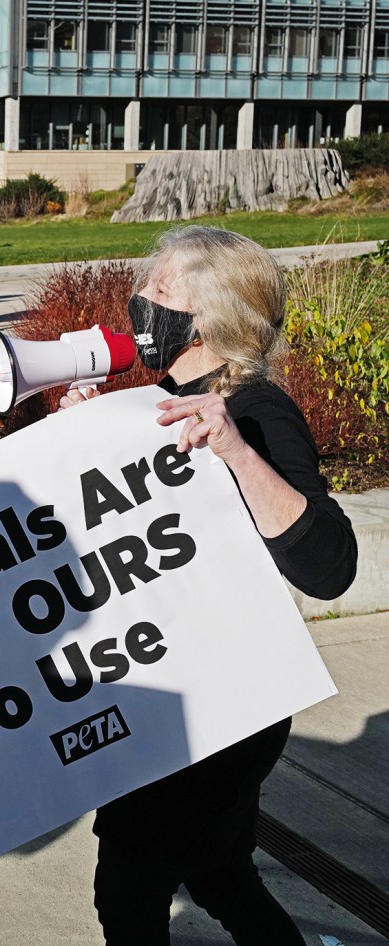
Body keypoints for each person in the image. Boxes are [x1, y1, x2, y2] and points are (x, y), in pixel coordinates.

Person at [57, 226, 357, 946]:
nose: (141, 303)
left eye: (162, 291)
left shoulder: (254, 409)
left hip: (221, 714)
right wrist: (80, 441)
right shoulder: (166, 398)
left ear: (214, 315)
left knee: (127, 892)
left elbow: (329, 565)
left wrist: (236, 451)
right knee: (222, 873)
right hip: (191, 699)